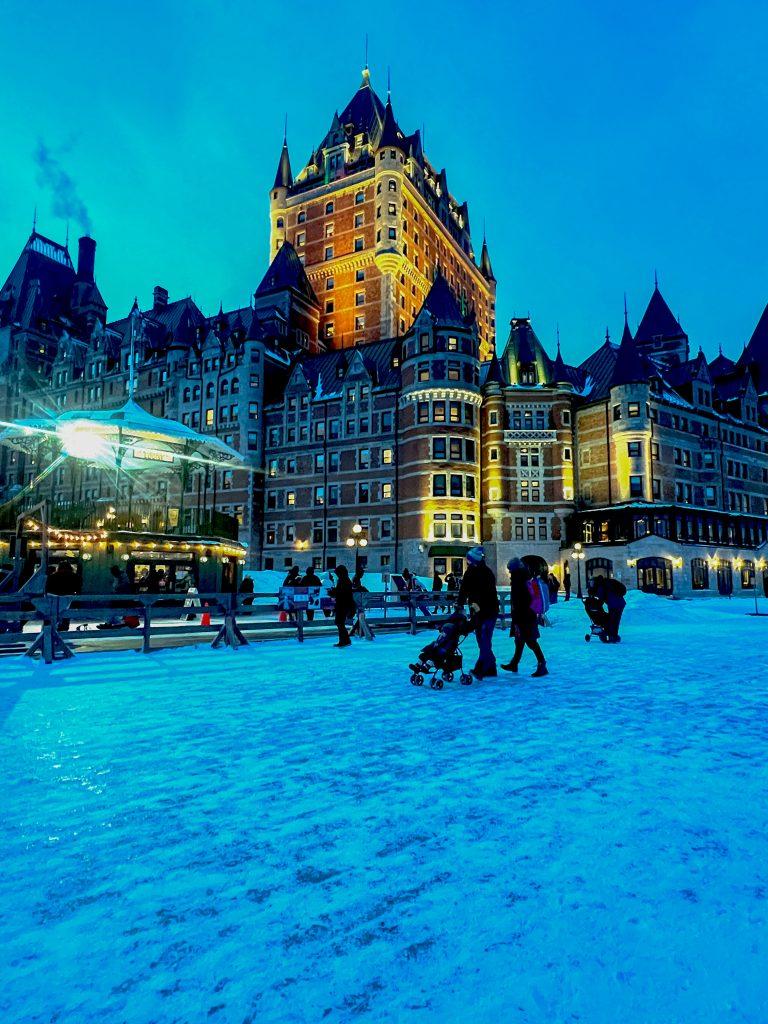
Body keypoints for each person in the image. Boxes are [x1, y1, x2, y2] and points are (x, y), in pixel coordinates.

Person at [457, 546, 499, 679]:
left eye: (468, 559)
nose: (467, 561)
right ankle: (491, 667)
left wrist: (461, 603)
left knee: (483, 640)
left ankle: (480, 668)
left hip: (483, 610)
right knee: (484, 640)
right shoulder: (487, 571)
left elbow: (465, 590)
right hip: (487, 610)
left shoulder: (473, 573)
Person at [501, 558, 548, 677]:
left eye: (510, 570)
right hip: (527, 615)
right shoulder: (524, 578)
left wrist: (517, 617)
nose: (509, 573)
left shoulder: (519, 581)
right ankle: (514, 663)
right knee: (519, 640)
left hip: (524, 617)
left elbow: (520, 601)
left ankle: (542, 664)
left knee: (531, 641)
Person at [593, 574, 627, 642]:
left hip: (613, 604)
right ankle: (614, 635)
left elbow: (601, 597)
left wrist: (596, 603)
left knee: (612, 620)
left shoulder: (601, 585)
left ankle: (612, 636)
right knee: (616, 620)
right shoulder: (608, 582)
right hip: (620, 602)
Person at [329, 564, 355, 648]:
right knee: (340, 623)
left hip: (343, 604)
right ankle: (344, 640)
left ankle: (344, 641)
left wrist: (334, 592)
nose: (336, 575)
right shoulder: (345, 580)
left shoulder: (343, 580)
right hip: (344, 604)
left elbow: (342, 593)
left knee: (339, 623)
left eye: (337, 573)